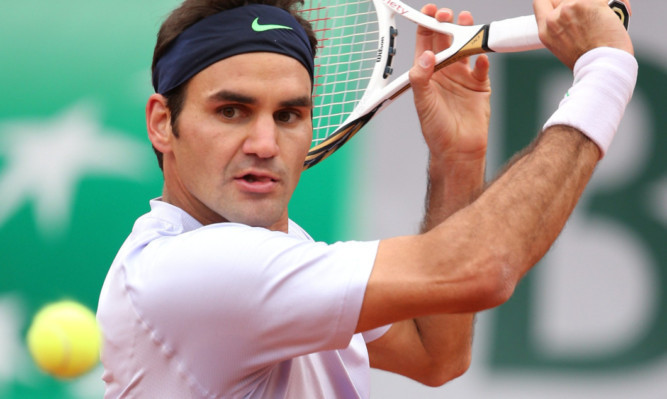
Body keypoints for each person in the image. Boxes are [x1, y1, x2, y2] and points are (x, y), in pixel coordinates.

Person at [96, 0, 637, 397]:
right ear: (163, 124)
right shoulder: (185, 273)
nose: (264, 144)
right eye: (231, 111)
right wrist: (606, 70)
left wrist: (457, 159)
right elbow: (483, 267)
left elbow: (436, 352)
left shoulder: (274, 255)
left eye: (288, 115)